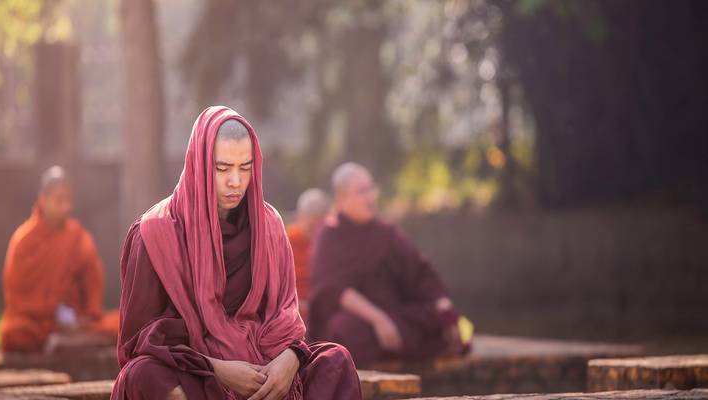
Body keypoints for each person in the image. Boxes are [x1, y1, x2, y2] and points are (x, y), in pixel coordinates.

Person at [113, 106, 361, 400]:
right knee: (144, 375)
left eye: (245, 168)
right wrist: (218, 368)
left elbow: (285, 317)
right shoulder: (154, 232)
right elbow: (138, 340)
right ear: (198, 164)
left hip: (266, 367)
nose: (235, 182)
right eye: (222, 168)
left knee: (336, 360)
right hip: (198, 374)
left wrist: (289, 360)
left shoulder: (268, 226)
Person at [308, 162, 471, 367]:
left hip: (393, 314)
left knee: (439, 319)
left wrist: (444, 308)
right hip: (359, 319)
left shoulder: (385, 233)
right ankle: (401, 345)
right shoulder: (329, 236)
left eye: (371, 189)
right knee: (343, 329)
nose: (371, 197)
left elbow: (419, 271)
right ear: (341, 199)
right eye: (361, 191)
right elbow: (331, 289)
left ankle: (399, 344)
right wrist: (379, 320)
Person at [0, 166, 118, 353]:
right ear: (43, 200)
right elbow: (17, 296)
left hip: (73, 322)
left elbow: (93, 283)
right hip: (35, 322)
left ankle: (67, 341)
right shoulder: (24, 240)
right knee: (15, 332)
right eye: (59, 200)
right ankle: (69, 341)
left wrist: (84, 315)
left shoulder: (78, 237)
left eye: (68, 200)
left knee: (119, 325)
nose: (65, 207)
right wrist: (53, 312)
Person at [286, 189, 330, 322]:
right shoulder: (284, 241)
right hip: (292, 312)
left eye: (320, 226)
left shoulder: (330, 243)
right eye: (311, 226)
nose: (316, 231)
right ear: (298, 217)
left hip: (323, 312)